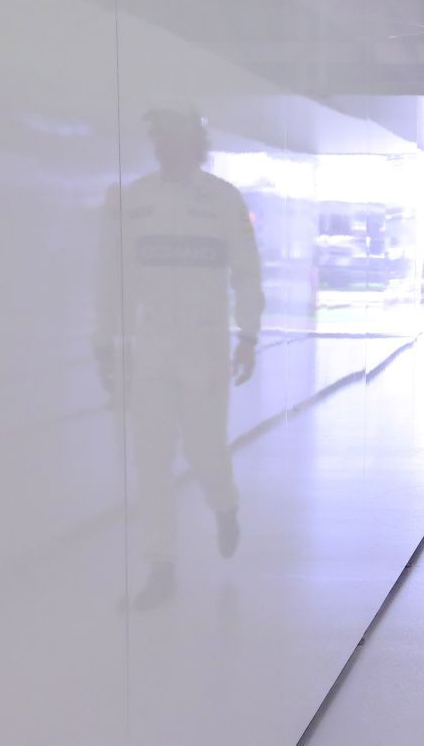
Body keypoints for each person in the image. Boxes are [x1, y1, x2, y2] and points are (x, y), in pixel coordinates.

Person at [94, 107, 265, 610]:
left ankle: (225, 505)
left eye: (175, 137)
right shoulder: (135, 200)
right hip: (152, 345)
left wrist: (248, 336)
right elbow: (113, 276)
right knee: (151, 457)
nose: (165, 146)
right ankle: (161, 568)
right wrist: (105, 341)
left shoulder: (222, 200)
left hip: (204, 345)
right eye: (160, 138)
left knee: (204, 449)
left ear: (196, 142)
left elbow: (247, 273)